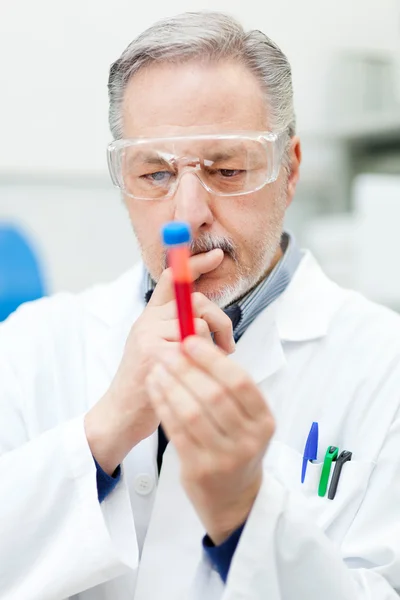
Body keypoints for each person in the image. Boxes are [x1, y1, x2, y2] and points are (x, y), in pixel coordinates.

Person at [1, 10, 400, 600]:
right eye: (155, 173)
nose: (187, 216)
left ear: (289, 171)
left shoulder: (383, 366)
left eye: (228, 169)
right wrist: (104, 432)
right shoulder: (33, 344)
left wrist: (246, 514)